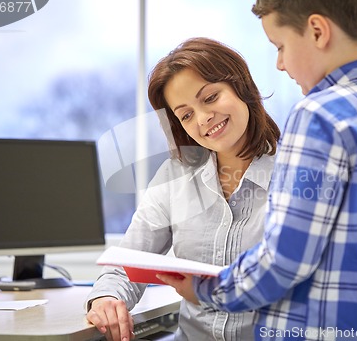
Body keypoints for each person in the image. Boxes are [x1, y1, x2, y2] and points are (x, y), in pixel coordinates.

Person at [158, 0, 357, 340]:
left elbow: (284, 259)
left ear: (317, 31)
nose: (280, 64)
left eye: (280, 46)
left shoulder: (317, 114)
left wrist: (208, 291)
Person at [85, 37, 280, 341]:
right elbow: (127, 263)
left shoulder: (295, 171)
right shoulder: (175, 177)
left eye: (211, 97)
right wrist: (106, 299)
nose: (203, 119)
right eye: (186, 114)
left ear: (241, 87)